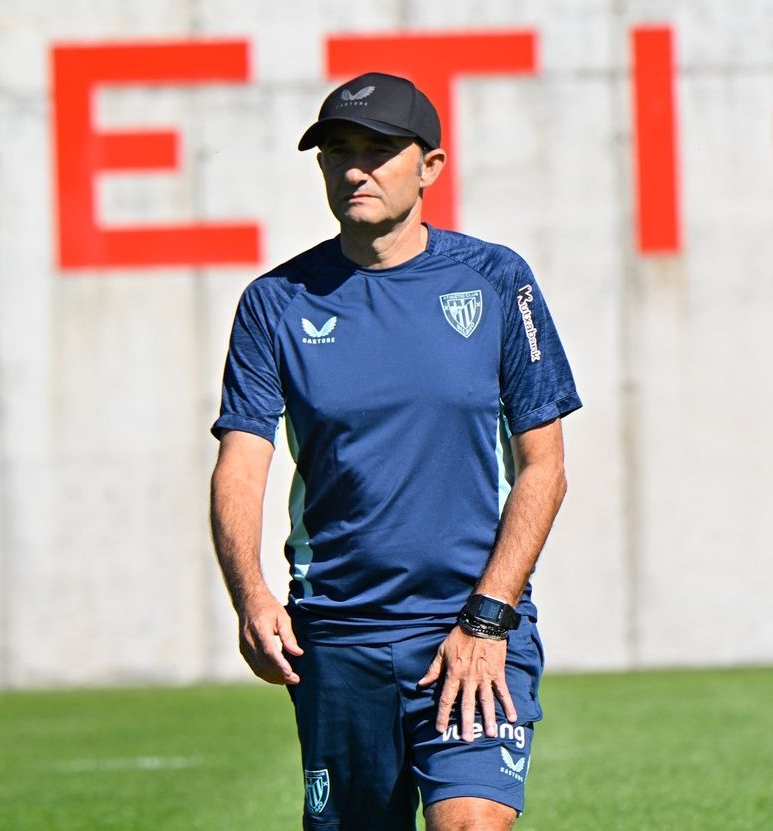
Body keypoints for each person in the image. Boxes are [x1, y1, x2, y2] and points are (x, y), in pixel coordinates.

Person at [209, 71, 581, 830]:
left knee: (471, 822)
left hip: (470, 622)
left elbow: (545, 466)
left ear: (431, 167)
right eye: (337, 151)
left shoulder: (496, 279)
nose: (354, 169)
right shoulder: (275, 302)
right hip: (338, 632)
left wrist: (486, 618)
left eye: (378, 150)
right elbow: (241, 462)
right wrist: (251, 595)